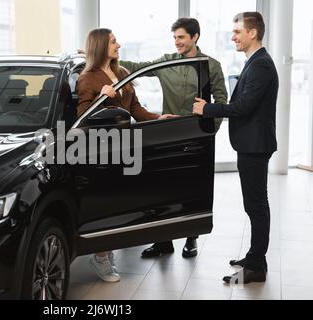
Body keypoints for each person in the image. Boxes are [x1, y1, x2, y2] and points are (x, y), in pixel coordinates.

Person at [120, 17, 228, 259]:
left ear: (194, 37)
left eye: (181, 37)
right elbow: (137, 67)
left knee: (192, 187)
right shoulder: (167, 61)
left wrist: (209, 131)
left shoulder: (211, 65)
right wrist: (109, 60)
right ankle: (163, 242)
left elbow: (221, 101)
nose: (177, 42)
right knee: (163, 187)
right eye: (175, 38)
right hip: (167, 134)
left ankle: (191, 239)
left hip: (196, 136)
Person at [76, 28, 176, 282]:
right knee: (107, 202)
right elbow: (81, 118)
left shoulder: (122, 73)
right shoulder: (87, 78)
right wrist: (100, 98)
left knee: (122, 201)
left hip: (128, 147)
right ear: (100, 46)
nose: (118, 45)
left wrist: (157, 117)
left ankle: (106, 251)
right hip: (104, 149)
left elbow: (135, 108)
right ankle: (100, 258)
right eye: (113, 42)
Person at [193, 12, 278, 284]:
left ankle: (257, 266)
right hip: (251, 144)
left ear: (253, 33)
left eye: (237, 32)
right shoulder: (255, 62)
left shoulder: (261, 64)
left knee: (256, 205)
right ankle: (254, 258)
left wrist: (208, 109)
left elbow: (243, 107)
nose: (233, 37)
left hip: (255, 145)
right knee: (254, 204)